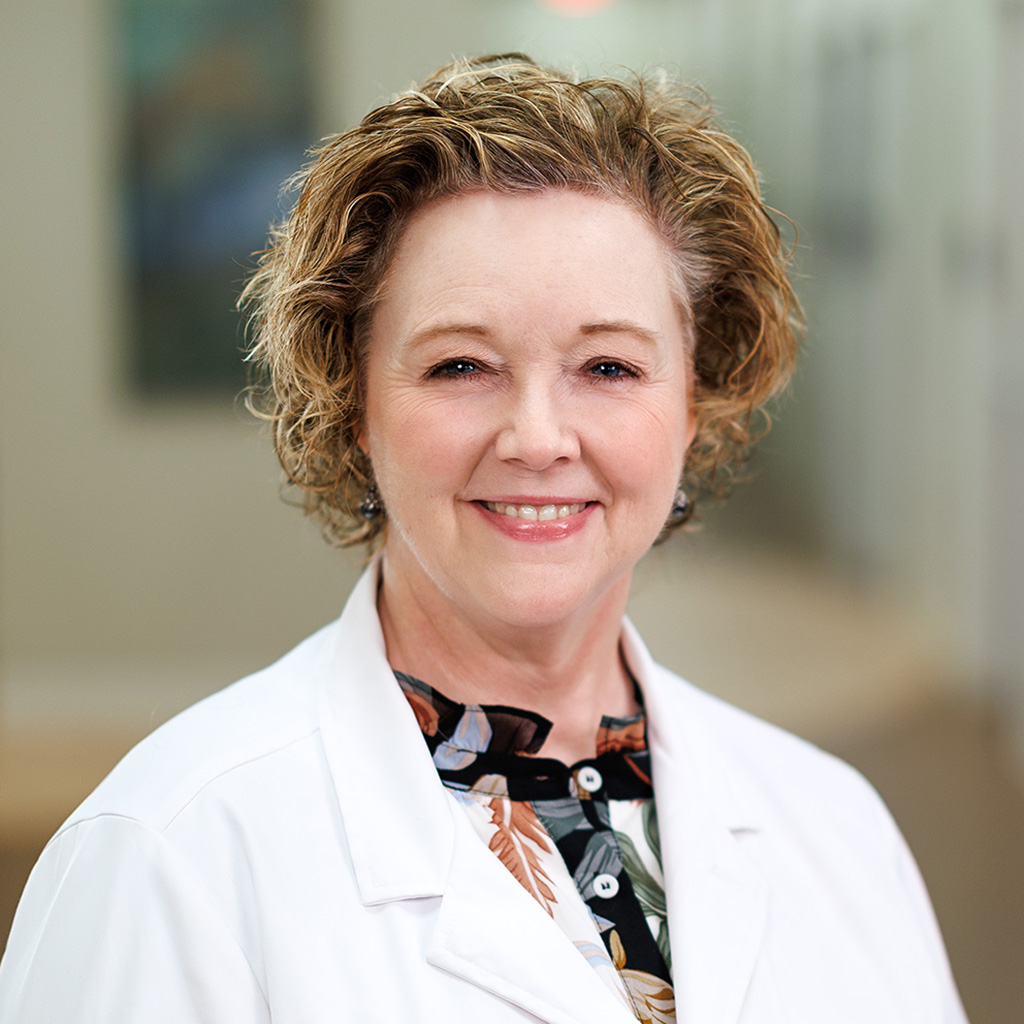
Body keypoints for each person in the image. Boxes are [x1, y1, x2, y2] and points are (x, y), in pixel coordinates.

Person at [0, 54, 967, 1024]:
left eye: (609, 366)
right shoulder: (166, 858)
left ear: (692, 403)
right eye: (462, 364)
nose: (538, 438)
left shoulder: (836, 828)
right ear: (357, 405)